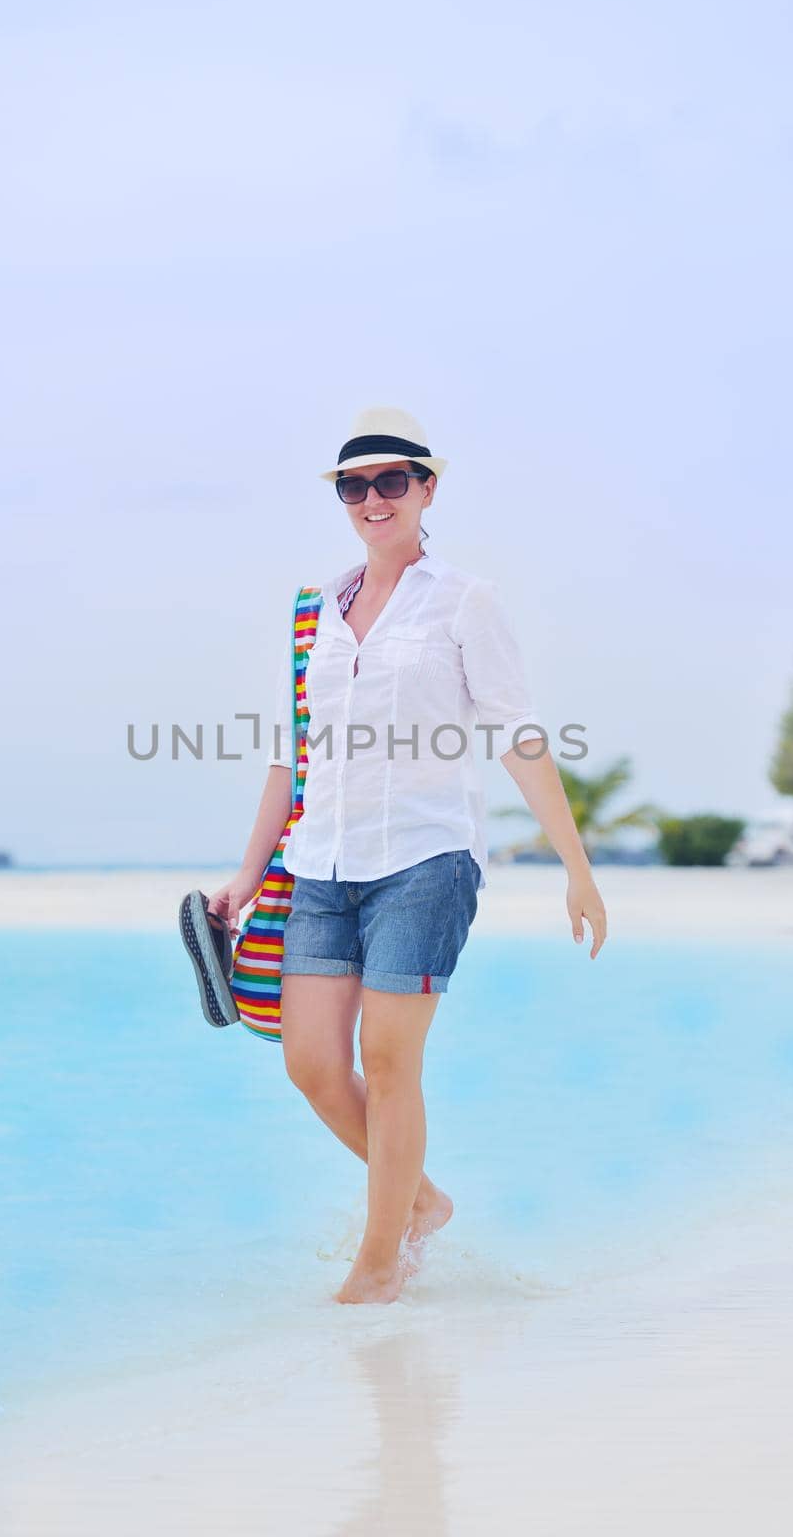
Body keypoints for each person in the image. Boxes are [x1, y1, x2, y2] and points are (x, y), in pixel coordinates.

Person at [210, 406, 607, 1305]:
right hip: (322, 868)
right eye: (356, 485)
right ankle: (421, 1204)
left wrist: (576, 867)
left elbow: (517, 734)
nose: (373, 498)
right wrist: (245, 874)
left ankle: (377, 1264)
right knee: (310, 1062)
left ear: (428, 488)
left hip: (425, 862)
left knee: (391, 1065)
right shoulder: (317, 609)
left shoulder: (465, 599)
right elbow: (289, 753)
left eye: (393, 481)